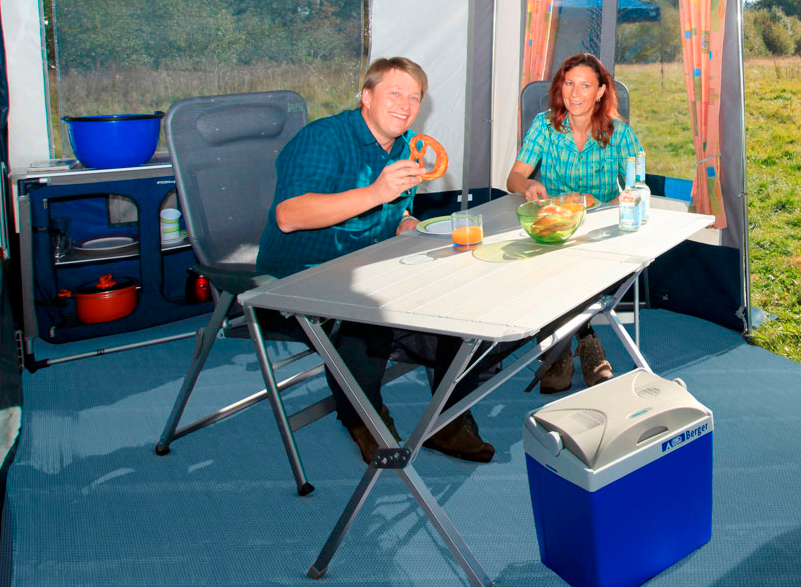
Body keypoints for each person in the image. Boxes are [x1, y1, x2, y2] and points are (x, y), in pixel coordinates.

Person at [256, 57, 496, 465]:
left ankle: (447, 420)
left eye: (414, 97)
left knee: (460, 297)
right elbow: (289, 215)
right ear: (366, 96)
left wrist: (405, 222)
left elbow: (393, 211)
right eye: (394, 93)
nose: (405, 105)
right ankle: (364, 420)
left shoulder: (405, 148)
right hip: (296, 279)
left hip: (369, 264)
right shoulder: (323, 138)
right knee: (369, 309)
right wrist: (375, 193)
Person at [506, 52, 644, 393]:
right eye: (569, 83)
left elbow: (637, 189)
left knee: (573, 266)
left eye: (585, 85)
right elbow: (514, 178)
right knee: (544, 261)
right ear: (560, 87)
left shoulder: (620, 134)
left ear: (600, 91)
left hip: (599, 229)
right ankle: (583, 343)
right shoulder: (544, 125)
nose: (575, 93)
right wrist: (529, 185)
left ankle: (560, 351)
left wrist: (603, 202)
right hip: (554, 226)